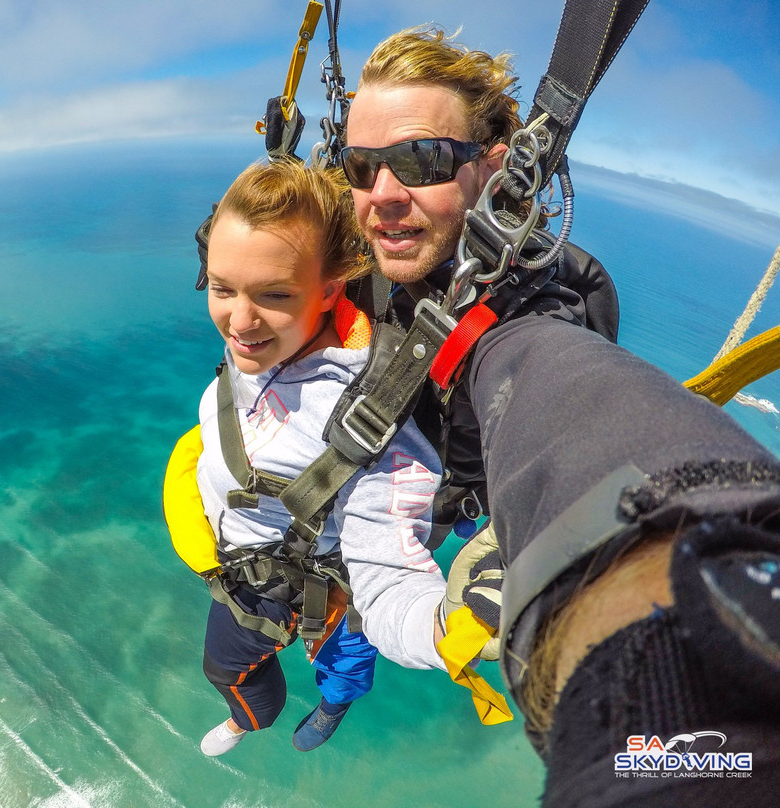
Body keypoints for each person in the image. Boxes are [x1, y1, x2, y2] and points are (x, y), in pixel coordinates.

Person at [337, 25, 779, 804]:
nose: (381, 196)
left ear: (495, 171)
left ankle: (340, 687)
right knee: (335, 630)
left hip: (469, 499)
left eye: (419, 161)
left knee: (350, 639)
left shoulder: (523, 325)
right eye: (360, 166)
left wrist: (676, 722)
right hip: (393, 508)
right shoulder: (371, 254)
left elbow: (556, 387)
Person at [173, 158, 451, 757]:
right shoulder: (271, 338)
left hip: (319, 580)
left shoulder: (363, 418)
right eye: (221, 288)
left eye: (272, 295)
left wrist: (448, 630)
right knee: (225, 671)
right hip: (243, 568)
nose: (239, 322)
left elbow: (392, 575)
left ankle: (333, 706)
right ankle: (252, 719)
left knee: (346, 663)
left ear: (330, 290)